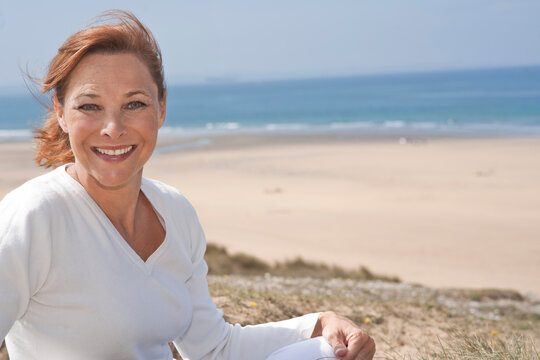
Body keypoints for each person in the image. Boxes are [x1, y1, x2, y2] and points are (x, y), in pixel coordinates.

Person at [0, 10, 375, 360]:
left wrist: (319, 325)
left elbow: (215, 349)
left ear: (161, 108)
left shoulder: (174, 212)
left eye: (134, 104)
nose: (113, 128)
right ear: (61, 113)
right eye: (90, 106)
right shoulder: (33, 216)